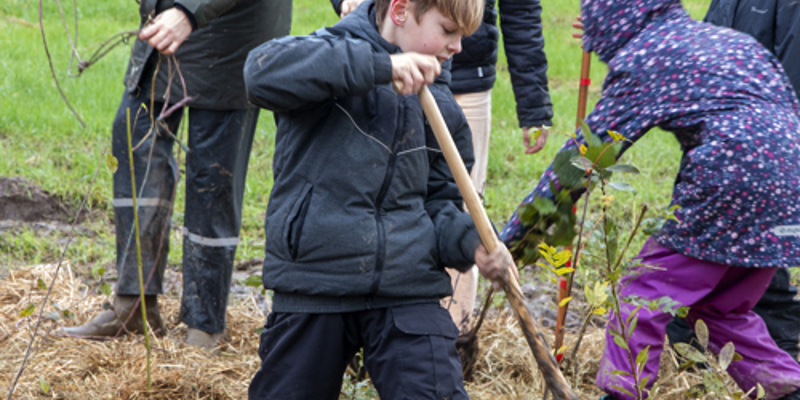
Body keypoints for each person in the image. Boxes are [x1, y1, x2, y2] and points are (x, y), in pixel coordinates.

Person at [500, 0, 800, 398]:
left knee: (641, 294)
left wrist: (515, 238)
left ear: (608, 24)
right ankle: (789, 389)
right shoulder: (724, 41)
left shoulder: (645, 58)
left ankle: (622, 394)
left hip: (732, 179)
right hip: (790, 182)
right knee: (721, 309)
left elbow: (584, 157)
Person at [242, 0, 516, 397]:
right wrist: (382, 68)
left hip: (407, 289)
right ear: (401, 10)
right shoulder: (329, 53)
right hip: (316, 285)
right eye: (448, 30)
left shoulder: (441, 106)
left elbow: (440, 203)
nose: (457, 46)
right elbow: (260, 73)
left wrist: (472, 243)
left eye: (462, 36)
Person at [62, 0, 292, 348]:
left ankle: (205, 325)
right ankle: (134, 304)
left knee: (213, 177)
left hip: (229, 37)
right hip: (164, 32)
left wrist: (189, 11)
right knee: (134, 139)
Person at [333, 0, 553, 334]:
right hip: (382, 63)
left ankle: (452, 330)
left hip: (467, 81)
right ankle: (366, 324)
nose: (455, 41)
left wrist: (534, 104)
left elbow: (520, 10)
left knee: (460, 203)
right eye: (449, 31)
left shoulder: (458, 53)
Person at [666, 0, 800, 362]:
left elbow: (791, 89)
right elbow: (707, 57)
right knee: (694, 270)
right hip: (717, 159)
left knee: (758, 278)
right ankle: (690, 370)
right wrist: (623, 40)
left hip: (759, 166)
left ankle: (784, 375)